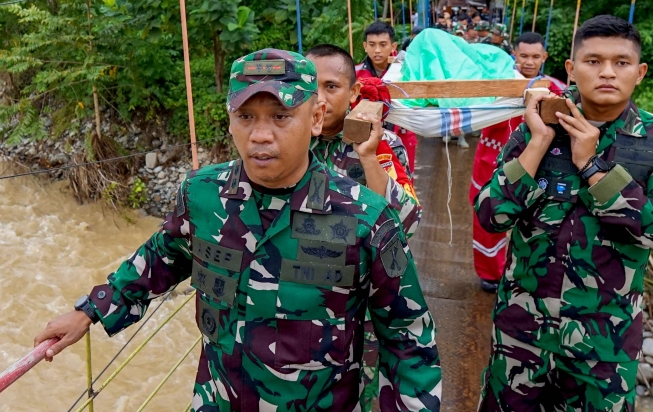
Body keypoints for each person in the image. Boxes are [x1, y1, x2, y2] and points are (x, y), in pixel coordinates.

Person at [34, 49, 443, 412]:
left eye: (281, 117)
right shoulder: (202, 195)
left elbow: (407, 335)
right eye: (246, 117)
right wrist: (89, 310)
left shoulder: (365, 216)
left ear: (315, 118)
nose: (260, 135)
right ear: (230, 120)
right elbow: (162, 257)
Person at [474, 16, 653, 411]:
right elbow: (491, 215)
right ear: (571, 69)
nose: (608, 72)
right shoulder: (535, 128)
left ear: (640, 72)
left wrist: (593, 169)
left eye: (621, 62)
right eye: (593, 61)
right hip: (521, 334)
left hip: (604, 345)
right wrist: (539, 142)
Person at [305, 44, 425, 412]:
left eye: (332, 87)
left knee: (358, 387)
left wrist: (368, 157)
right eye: (311, 87)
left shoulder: (379, 144)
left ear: (355, 92)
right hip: (303, 293)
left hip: (358, 299)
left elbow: (406, 222)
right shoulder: (291, 142)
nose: (320, 99)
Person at [469, 31, 565, 292]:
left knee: (536, 218)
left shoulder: (554, 89)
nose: (529, 61)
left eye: (535, 56)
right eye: (524, 56)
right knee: (488, 210)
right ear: (515, 56)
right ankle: (490, 273)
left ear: (544, 57)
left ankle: (527, 272)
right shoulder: (497, 82)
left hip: (535, 164)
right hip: (491, 156)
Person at [356, 21, 419, 171]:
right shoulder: (356, 75)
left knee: (402, 179)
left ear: (393, 46)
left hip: (402, 134)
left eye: (383, 44)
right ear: (365, 46)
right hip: (367, 138)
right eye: (372, 45)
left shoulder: (407, 73)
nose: (377, 50)